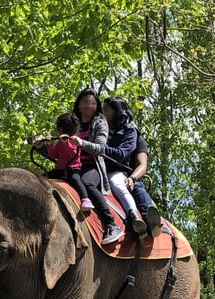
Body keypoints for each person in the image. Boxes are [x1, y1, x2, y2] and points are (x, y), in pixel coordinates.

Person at [68, 87, 123, 245]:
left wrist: (82, 143)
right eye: (85, 102)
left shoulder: (100, 122)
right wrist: (43, 146)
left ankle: (111, 224)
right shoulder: (72, 122)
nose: (88, 106)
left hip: (92, 166)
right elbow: (61, 146)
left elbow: (100, 148)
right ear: (78, 104)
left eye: (92, 103)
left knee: (88, 183)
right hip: (71, 165)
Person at [101, 96, 145, 235]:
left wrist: (97, 148)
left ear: (117, 111)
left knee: (118, 184)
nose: (102, 112)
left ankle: (134, 215)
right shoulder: (99, 129)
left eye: (106, 109)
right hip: (96, 169)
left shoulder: (129, 132)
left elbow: (121, 154)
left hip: (116, 171)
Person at [33, 112, 92, 210]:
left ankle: (85, 199)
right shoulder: (60, 142)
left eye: (59, 128)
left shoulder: (74, 140)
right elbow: (54, 155)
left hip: (72, 169)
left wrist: (66, 142)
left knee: (76, 179)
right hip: (59, 169)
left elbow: (72, 153)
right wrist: (50, 145)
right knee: (42, 177)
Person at [126, 130, 163, 238]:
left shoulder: (137, 138)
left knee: (137, 188)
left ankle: (151, 222)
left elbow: (142, 166)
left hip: (131, 178)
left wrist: (132, 178)